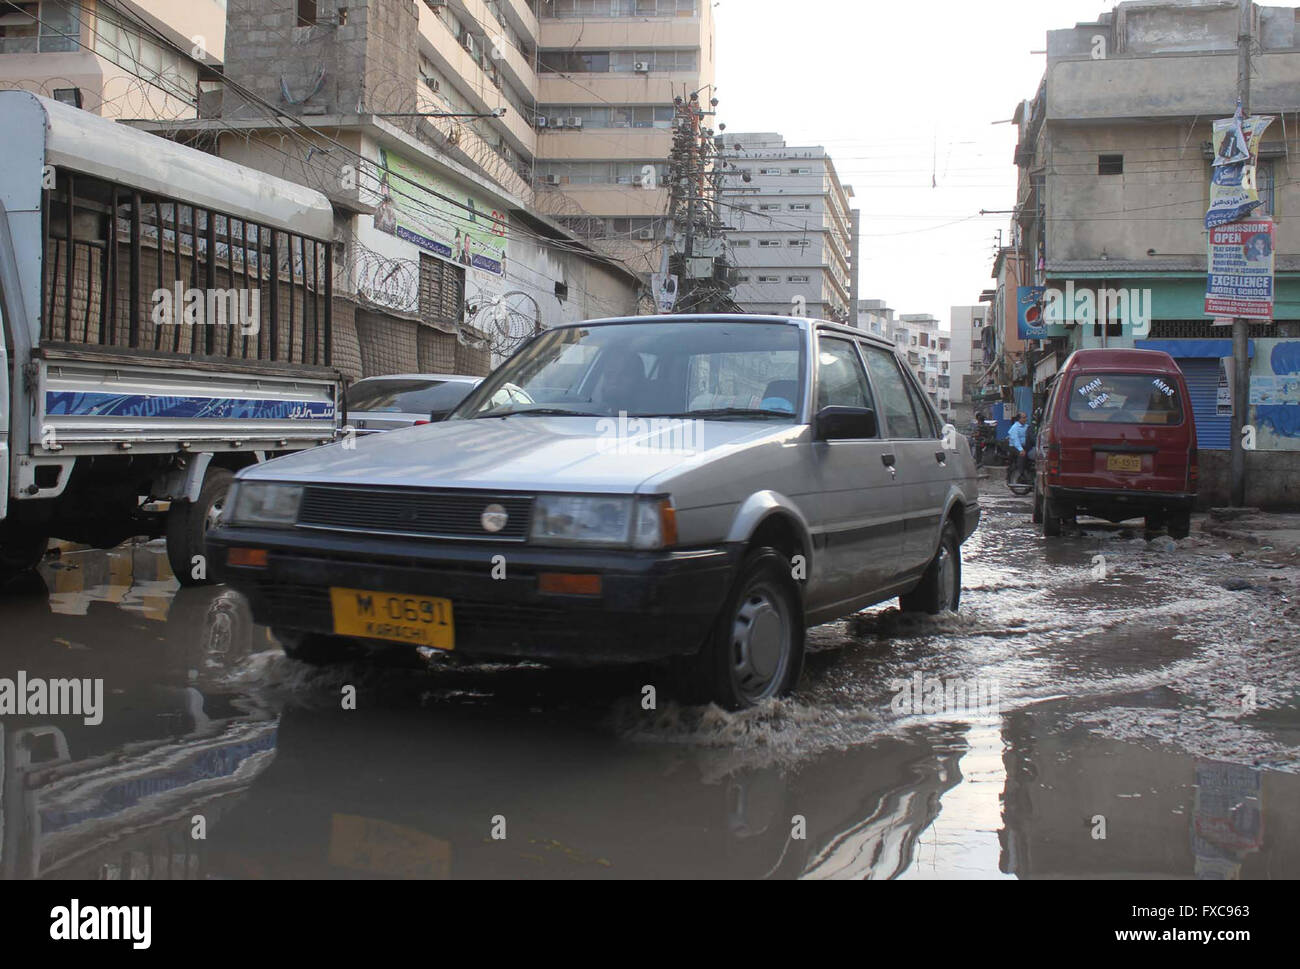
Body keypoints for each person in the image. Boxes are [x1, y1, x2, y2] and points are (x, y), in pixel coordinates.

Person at [1008, 411, 1030, 484]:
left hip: (1024, 446)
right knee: (1022, 455)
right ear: (1019, 419)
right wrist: (1021, 450)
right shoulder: (1015, 427)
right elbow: (1015, 440)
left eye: (1026, 417)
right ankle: (1021, 473)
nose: (1025, 419)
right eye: (1023, 418)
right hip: (1015, 447)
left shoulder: (1026, 426)